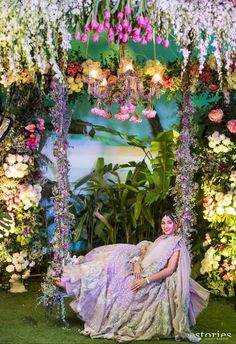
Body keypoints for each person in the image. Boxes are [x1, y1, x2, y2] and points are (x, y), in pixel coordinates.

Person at [55, 211, 209, 342]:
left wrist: (145, 280)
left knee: (116, 279)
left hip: (150, 281)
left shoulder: (177, 243)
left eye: (169, 222)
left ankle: (70, 284)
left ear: (176, 224)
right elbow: (145, 255)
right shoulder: (161, 239)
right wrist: (136, 262)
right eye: (163, 223)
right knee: (109, 263)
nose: (165, 226)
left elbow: (169, 270)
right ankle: (70, 281)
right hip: (138, 270)